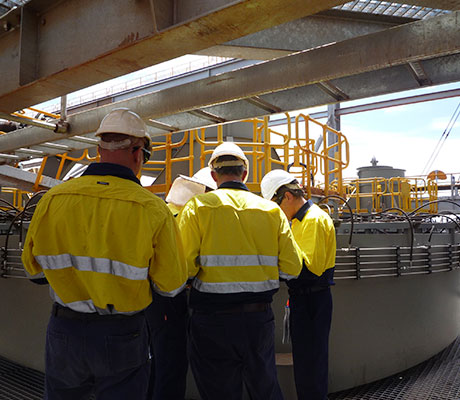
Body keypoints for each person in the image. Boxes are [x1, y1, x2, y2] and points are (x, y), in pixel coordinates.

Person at [21, 108, 188, 400]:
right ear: (138, 153)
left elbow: (33, 272)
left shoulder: (53, 200)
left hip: (65, 331)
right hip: (122, 335)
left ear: (99, 150)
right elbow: (171, 286)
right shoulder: (152, 209)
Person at [178, 142, 302, 400]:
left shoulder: (198, 207)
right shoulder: (271, 211)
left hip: (211, 322)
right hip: (258, 321)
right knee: (265, 389)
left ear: (214, 175)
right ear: (245, 174)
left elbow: (183, 269)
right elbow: (293, 268)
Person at [260, 169, 336, 400]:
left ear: (288, 197)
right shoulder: (299, 220)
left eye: (277, 206)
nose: (278, 213)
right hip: (305, 299)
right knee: (305, 361)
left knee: (311, 364)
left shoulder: (312, 220)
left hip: (312, 299)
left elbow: (307, 269)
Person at [145, 167, 216, 400]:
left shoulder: (160, 212)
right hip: (170, 300)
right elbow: (186, 265)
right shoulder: (181, 219)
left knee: (154, 363)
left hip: (150, 300)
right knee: (172, 366)